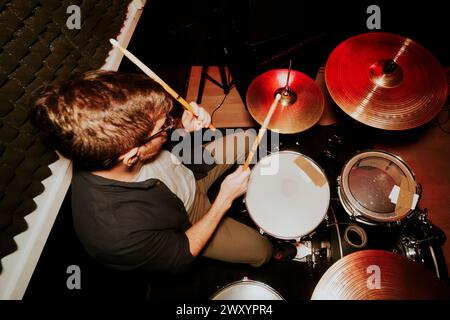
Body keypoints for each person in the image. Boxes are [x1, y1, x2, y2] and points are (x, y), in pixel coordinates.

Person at [32, 70, 294, 274]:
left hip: (188, 168)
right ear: (131, 154)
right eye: (164, 125)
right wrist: (224, 200)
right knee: (260, 250)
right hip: (187, 216)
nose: (170, 125)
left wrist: (183, 127)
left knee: (250, 140)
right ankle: (275, 253)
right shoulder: (113, 233)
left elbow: (157, 138)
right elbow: (180, 255)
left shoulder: (107, 144)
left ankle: (265, 183)